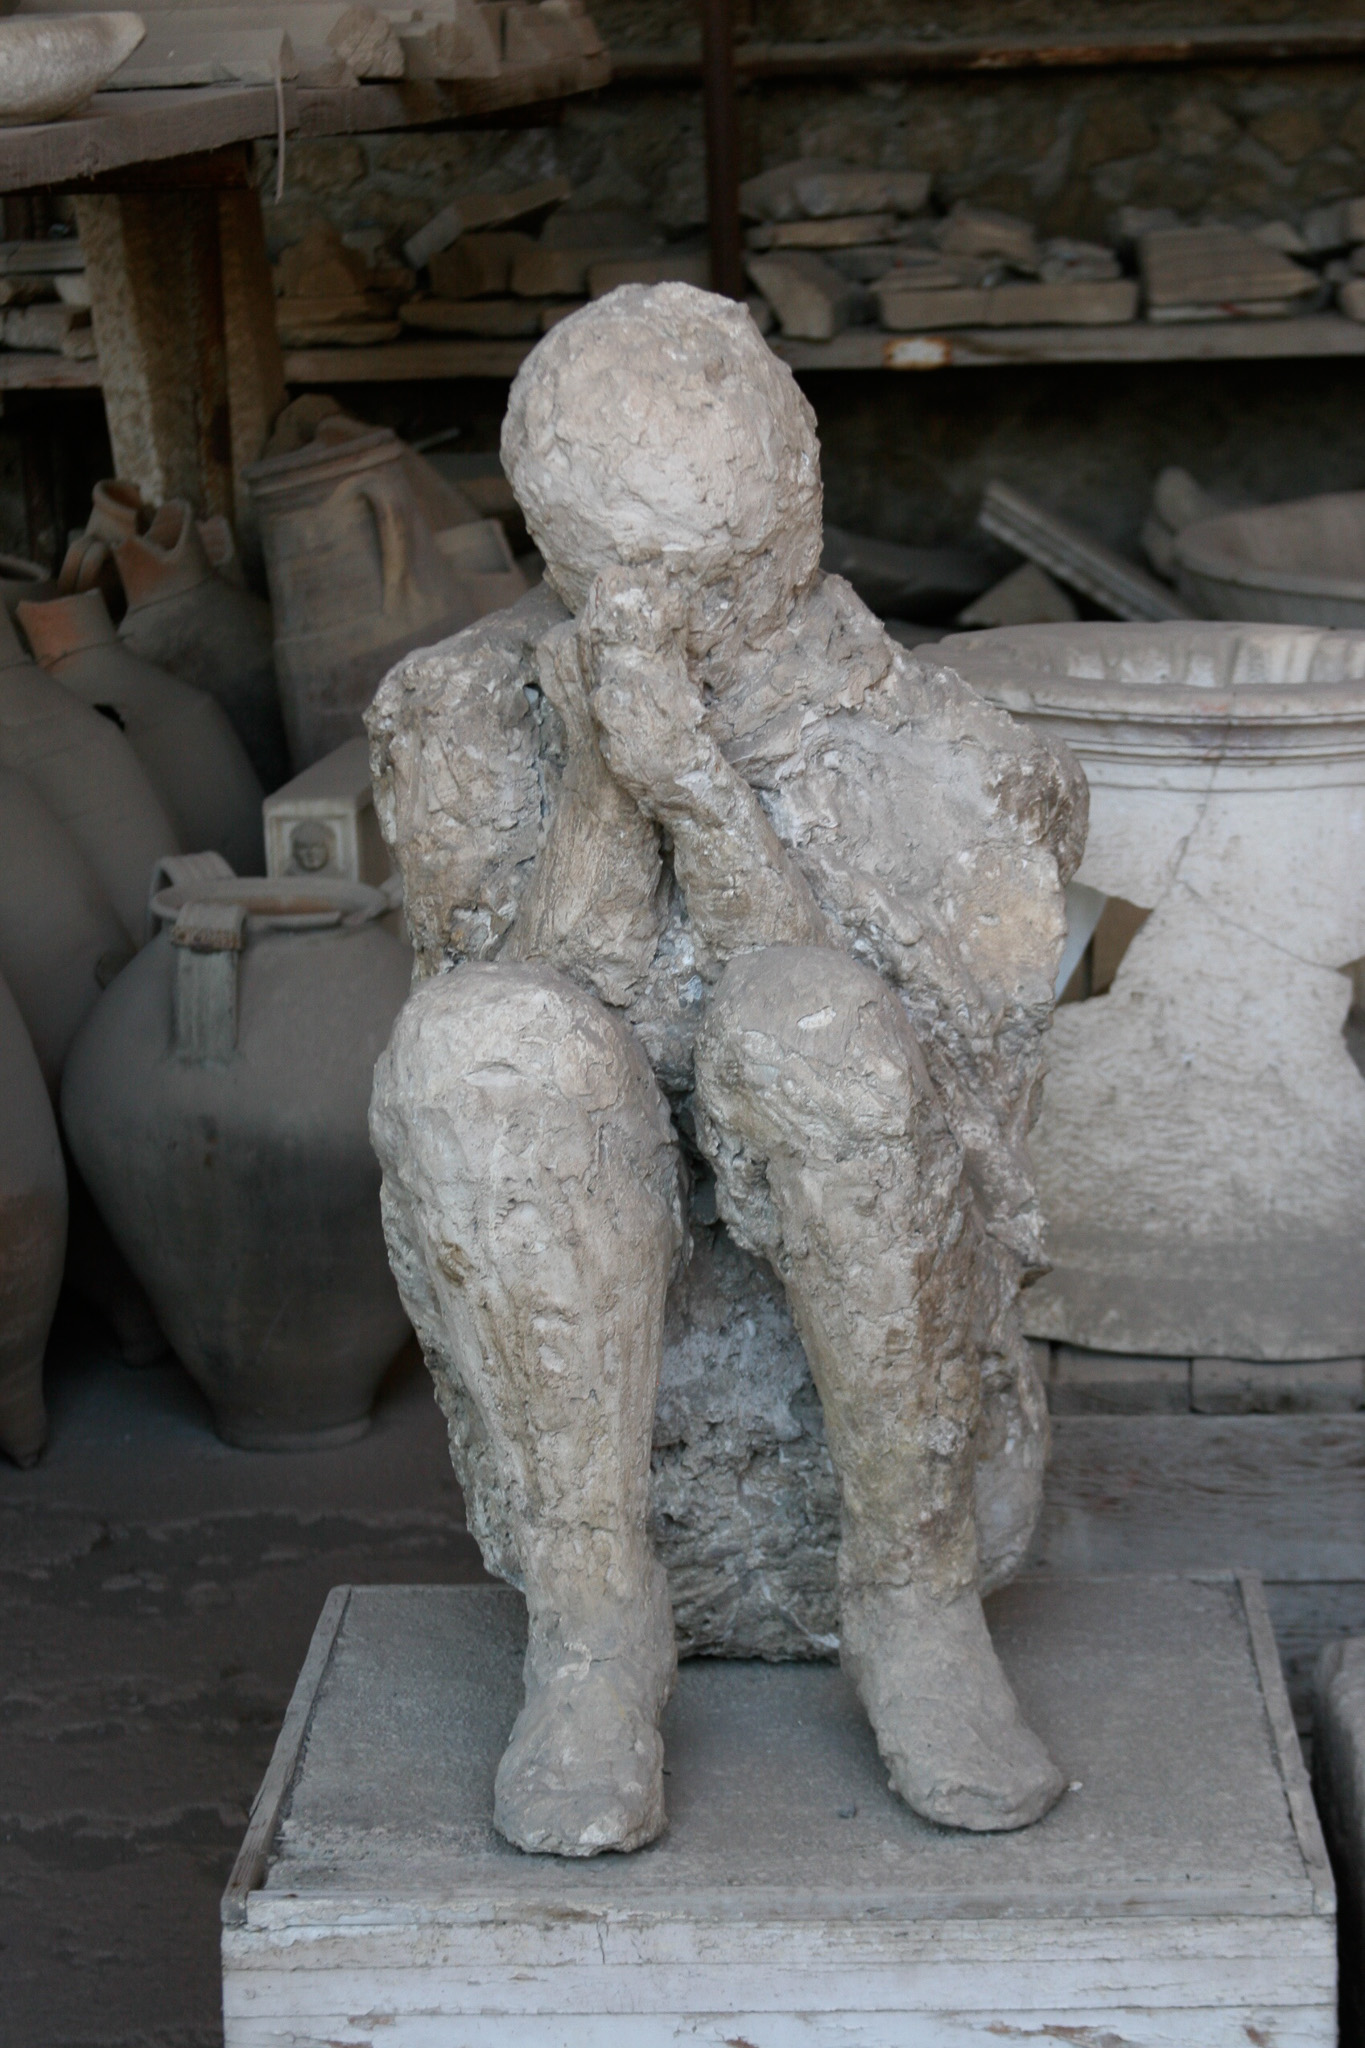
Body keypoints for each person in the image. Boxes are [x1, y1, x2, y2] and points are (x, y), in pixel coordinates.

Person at [369, 284, 1086, 1856]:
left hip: (866, 1316)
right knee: (480, 1041)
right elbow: (506, 1040)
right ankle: (592, 1625)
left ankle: (910, 1603)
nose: (659, 618)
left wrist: (699, 792)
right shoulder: (459, 716)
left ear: (790, 532)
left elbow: (963, 1127)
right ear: (552, 550)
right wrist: (602, 790)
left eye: (700, 580)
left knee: (815, 1028)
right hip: (602, 1312)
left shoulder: (955, 754)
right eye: (612, 577)